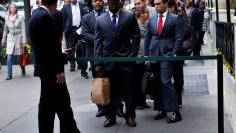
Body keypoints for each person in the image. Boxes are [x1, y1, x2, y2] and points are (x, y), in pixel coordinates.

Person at [28, 0, 81, 132]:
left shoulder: (35, 14)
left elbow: (42, 46)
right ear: (55, 3)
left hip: (44, 68)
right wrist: (59, 70)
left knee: (51, 106)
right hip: (52, 72)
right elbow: (51, 47)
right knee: (60, 106)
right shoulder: (46, 17)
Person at [94, 0, 140, 127]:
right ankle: (110, 117)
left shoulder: (129, 16)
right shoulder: (100, 19)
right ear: (107, 4)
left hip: (126, 61)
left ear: (120, 3)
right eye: (111, 4)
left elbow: (136, 36)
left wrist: (132, 55)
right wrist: (98, 62)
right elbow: (97, 41)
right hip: (107, 62)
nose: (113, 6)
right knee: (109, 91)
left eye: (115, 4)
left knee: (129, 91)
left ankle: (130, 116)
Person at [144, 0, 183, 123]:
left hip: (167, 54)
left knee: (166, 81)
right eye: (155, 4)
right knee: (156, 82)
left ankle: (175, 112)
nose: (156, 6)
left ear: (166, 4)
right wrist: (146, 56)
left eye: (158, 4)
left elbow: (179, 38)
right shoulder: (151, 19)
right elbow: (148, 38)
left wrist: (173, 53)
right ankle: (161, 109)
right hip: (154, 54)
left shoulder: (175, 19)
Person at [81, 0, 106, 117]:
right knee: (97, 80)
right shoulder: (86, 18)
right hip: (93, 53)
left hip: (108, 53)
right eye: (95, 0)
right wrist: (99, 39)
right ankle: (100, 107)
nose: (97, 3)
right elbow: (85, 34)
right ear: (92, 3)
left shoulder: (108, 15)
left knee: (112, 79)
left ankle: (117, 107)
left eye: (100, 0)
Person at [61, 0, 88, 79]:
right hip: (70, 30)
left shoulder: (82, 5)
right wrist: (65, 28)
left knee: (81, 49)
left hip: (80, 29)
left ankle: (81, 66)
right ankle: (72, 65)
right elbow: (63, 18)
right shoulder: (65, 7)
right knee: (70, 48)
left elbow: (85, 17)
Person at [1, 3, 26, 80]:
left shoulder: (21, 17)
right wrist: (3, 40)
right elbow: (5, 30)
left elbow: (23, 29)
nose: (13, 9)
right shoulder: (6, 17)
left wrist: (24, 41)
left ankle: (23, 68)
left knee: (20, 56)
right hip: (10, 38)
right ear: (9, 9)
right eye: (12, 8)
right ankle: (9, 74)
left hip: (18, 38)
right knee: (9, 56)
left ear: (16, 9)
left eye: (14, 7)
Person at [134, 3, 151, 110]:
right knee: (137, 80)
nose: (148, 13)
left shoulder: (146, 24)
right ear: (140, 14)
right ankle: (137, 102)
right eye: (145, 12)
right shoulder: (135, 25)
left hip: (145, 56)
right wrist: (139, 56)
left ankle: (143, 100)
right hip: (138, 57)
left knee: (144, 79)